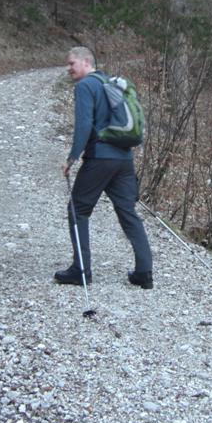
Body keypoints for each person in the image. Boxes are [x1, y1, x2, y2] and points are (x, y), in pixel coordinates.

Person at [56, 46, 153, 289]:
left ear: (86, 62)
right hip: (123, 160)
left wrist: (72, 158)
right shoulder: (111, 82)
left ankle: (81, 270)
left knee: (77, 210)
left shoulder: (86, 86)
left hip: (100, 157)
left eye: (71, 64)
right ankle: (144, 272)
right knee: (127, 211)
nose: (68, 69)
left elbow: (84, 124)